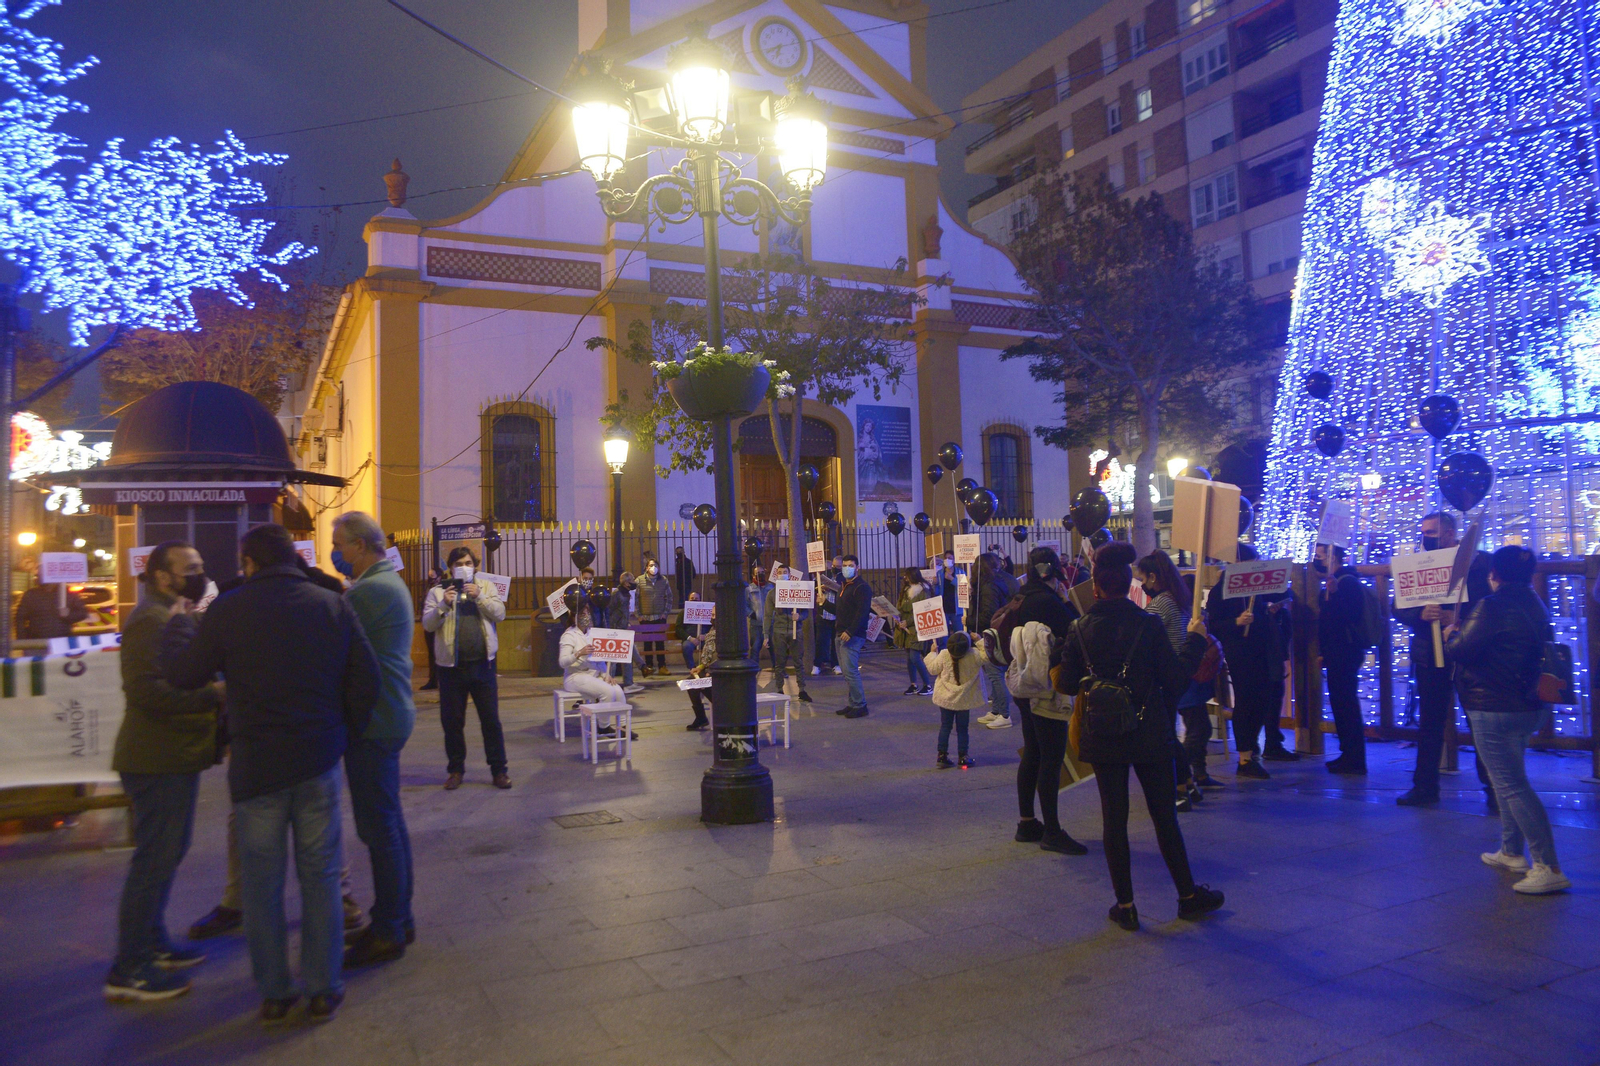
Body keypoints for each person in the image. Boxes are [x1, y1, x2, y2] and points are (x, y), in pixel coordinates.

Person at [162, 523, 379, 1024]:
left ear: (250, 563)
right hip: (316, 762)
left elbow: (183, 676)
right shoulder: (330, 605)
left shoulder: (227, 610)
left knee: (261, 883)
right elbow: (366, 678)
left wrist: (178, 622)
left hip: (256, 768)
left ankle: (276, 992)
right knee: (322, 876)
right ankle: (324, 986)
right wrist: (341, 731)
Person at [1055, 542, 1224, 932]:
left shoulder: (1079, 628)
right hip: (1149, 732)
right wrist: (1196, 639)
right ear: (1130, 583)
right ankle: (1186, 896)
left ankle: (1126, 906)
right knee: (1164, 816)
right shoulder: (1147, 625)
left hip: (1103, 734)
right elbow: (1176, 680)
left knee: (1114, 820)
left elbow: (1065, 685)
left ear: (1096, 587)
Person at [103, 542, 225, 1002]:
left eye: (200, 566)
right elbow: (146, 693)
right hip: (154, 758)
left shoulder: (172, 613)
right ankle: (130, 966)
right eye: (189, 569)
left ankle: (152, 943)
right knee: (153, 861)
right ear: (161, 576)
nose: (199, 574)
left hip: (175, 755)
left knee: (169, 853)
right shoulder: (149, 621)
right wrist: (212, 695)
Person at [1445, 545, 1570, 895]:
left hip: (1493, 705)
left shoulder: (1490, 606)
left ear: (1494, 575)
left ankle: (1548, 865)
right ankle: (1511, 851)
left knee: (1512, 785)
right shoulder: (1536, 602)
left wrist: (1451, 634)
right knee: (1508, 780)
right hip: (1528, 704)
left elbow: (1461, 649)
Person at [331, 512, 416, 969]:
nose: (336, 553)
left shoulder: (368, 592)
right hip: (389, 714)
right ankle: (398, 918)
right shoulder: (388, 582)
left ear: (361, 545)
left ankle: (389, 929)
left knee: (379, 828)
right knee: (390, 824)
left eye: (340, 544)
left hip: (375, 719)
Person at [1393, 511, 1493, 807]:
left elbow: (1489, 602)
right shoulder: (1417, 564)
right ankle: (1424, 787)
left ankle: (1493, 790)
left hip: (1469, 653)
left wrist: (1460, 616)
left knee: (1480, 723)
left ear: (1450, 533)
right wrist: (1419, 614)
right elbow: (1398, 606)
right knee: (1430, 723)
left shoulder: (1479, 562)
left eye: (1432, 532)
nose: (1426, 537)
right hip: (1430, 651)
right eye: (1423, 531)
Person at [1002, 546, 1083, 854]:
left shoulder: (1021, 596)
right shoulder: (1048, 601)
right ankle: (1052, 830)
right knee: (1051, 756)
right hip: (1045, 684)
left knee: (1033, 753)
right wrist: (1064, 598)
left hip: (1022, 684)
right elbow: (1075, 627)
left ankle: (1027, 822)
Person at [1205, 545, 1296, 785]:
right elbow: (1213, 625)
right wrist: (1237, 621)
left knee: (1262, 699)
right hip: (1240, 653)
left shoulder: (1256, 588)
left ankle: (1252, 750)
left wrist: (1271, 610)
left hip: (1261, 651)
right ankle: (1245, 757)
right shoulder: (1220, 591)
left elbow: (1285, 593)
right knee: (1246, 701)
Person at [422, 546, 509, 791]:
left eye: (469, 562)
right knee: (452, 723)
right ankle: (456, 770)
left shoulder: (487, 587)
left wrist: (479, 596)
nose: (464, 566)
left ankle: (499, 771)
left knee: (491, 721)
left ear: (475, 566)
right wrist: (443, 606)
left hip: (483, 666)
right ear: (450, 567)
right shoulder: (437, 592)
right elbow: (428, 625)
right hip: (451, 669)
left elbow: (500, 614)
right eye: (459, 563)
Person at [1136, 550, 1211, 806]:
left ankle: (1179, 791)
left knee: (1165, 737)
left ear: (1153, 577)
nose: (1142, 584)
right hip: (1179, 673)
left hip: (1163, 676)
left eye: (1143, 578)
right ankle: (1188, 785)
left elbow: (1143, 634)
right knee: (1168, 733)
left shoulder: (1161, 604)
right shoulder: (1178, 598)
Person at [1316, 542, 1368, 774]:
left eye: (1319, 556)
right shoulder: (1333, 582)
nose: (1316, 560)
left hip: (1345, 651)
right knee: (1340, 703)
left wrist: (1335, 594)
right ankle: (1347, 753)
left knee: (1346, 704)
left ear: (1332, 557)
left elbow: (1349, 616)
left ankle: (1354, 758)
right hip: (1336, 652)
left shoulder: (1347, 583)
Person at [926, 630, 983, 769]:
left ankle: (942, 756)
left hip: (945, 698)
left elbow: (932, 669)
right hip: (963, 700)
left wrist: (932, 653)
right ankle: (963, 757)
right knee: (963, 728)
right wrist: (979, 641)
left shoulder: (944, 654)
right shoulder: (974, 655)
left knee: (945, 726)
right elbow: (988, 656)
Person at [974, 553, 1018, 729]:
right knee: (996, 673)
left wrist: (971, 623)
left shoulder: (989, 585)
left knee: (995, 673)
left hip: (994, 633)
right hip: (1007, 631)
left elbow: (988, 613)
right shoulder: (1008, 578)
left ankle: (1004, 714)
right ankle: (996, 710)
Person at [558, 599, 630, 708]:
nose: (586, 616)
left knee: (618, 691)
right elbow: (562, 662)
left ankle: (623, 724)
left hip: (594, 675)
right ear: (574, 617)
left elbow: (599, 658)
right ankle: (603, 724)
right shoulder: (569, 635)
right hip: (575, 677)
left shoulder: (593, 634)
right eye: (583, 614)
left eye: (588, 613)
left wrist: (606, 674)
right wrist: (579, 653)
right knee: (608, 692)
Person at [763, 562, 813, 703]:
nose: (782, 574)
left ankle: (802, 690)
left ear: (789, 575)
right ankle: (779, 689)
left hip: (795, 631)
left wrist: (800, 617)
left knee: (798, 662)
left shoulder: (797, 590)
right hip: (779, 632)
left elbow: (806, 612)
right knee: (779, 663)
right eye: (780, 572)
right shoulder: (772, 594)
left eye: (785, 572)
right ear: (776, 575)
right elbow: (767, 615)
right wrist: (766, 635)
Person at [834, 554, 872, 718]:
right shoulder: (845, 586)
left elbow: (862, 613)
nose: (847, 568)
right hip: (840, 634)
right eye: (845, 565)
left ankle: (860, 705)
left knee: (851, 671)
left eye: (850, 565)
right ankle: (853, 703)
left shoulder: (861, 587)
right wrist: (824, 603)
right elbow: (840, 610)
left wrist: (850, 631)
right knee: (846, 672)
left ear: (858, 568)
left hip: (852, 635)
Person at [15, 556, 89, 639]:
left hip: (61, 641)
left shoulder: (67, 592)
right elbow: (20, 618)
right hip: (36, 643)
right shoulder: (30, 594)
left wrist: (68, 615)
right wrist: (22, 640)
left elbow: (83, 613)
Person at [895, 567, 935, 695]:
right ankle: (913, 684)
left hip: (917, 627)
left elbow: (924, 610)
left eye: (907, 576)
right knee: (909, 658)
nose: (905, 578)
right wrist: (897, 618)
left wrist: (909, 621)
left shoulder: (923, 590)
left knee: (914, 656)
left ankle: (928, 685)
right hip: (905, 628)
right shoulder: (906, 590)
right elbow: (899, 607)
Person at [635, 555, 675, 676]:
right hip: (645, 617)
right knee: (647, 643)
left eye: (655, 565)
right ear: (646, 568)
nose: (653, 568)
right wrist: (638, 615)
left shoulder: (664, 580)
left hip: (659, 617)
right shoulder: (639, 581)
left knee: (660, 642)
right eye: (651, 565)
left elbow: (669, 597)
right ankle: (649, 666)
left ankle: (662, 666)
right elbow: (635, 599)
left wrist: (665, 613)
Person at [605, 572, 643, 695]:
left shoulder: (626, 593)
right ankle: (609, 683)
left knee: (626, 656)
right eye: (632, 580)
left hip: (622, 627)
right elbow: (610, 610)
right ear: (626, 583)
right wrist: (614, 626)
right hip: (615, 629)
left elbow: (624, 611)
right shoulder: (617, 594)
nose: (634, 582)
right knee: (614, 658)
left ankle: (629, 682)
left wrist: (625, 623)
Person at [812, 554, 843, 675]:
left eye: (838, 566)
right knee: (821, 641)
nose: (835, 568)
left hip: (836, 615)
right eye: (834, 566)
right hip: (823, 614)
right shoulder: (826, 576)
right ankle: (817, 664)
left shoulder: (844, 578)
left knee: (836, 642)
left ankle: (836, 664)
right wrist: (821, 588)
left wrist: (834, 588)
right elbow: (815, 587)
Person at [683, 629, 717, 731]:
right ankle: (700, 716)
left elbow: (718, 658)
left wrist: (710, 671)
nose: (712, 618)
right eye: (712, 615)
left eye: (714, 616)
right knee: (691, 683)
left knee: (703, 685)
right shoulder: (711, 633)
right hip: (708, 668)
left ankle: (721, 709)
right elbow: (707, 658)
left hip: (717, 670)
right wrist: (700, 667)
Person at [420, 566, 444, 690]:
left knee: (438, 652)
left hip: (438, 626)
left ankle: (439, 679)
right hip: (429, 623)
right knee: (431, 653)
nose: (431, 577)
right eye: (430, 575)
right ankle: (433, 679)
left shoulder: (441, 589)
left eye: (433, 575)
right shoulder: (429, 588)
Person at [746, 564, 771, 669]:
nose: (760, 575)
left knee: (774, 648)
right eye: (758, 573)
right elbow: (743, 604)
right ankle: (753, 668)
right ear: (753, 575)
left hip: (770, 623)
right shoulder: (749, 589)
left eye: (762, 573)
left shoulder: (771, 587)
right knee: (755, 647)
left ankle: (778, 669)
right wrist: (751, 614)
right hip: (756, 624)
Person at [681, 591, 711, 669]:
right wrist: (690, 638)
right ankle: (692, 669)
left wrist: (706, 636)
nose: (694, 600)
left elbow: (713, 627)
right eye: (692, 599)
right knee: (686, 647)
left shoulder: (707, 611)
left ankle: (704, 668)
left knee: (711, 647)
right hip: (690, 640)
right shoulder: (683, 612)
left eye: (696, 599)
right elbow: (678, 628)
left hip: (705, 639)